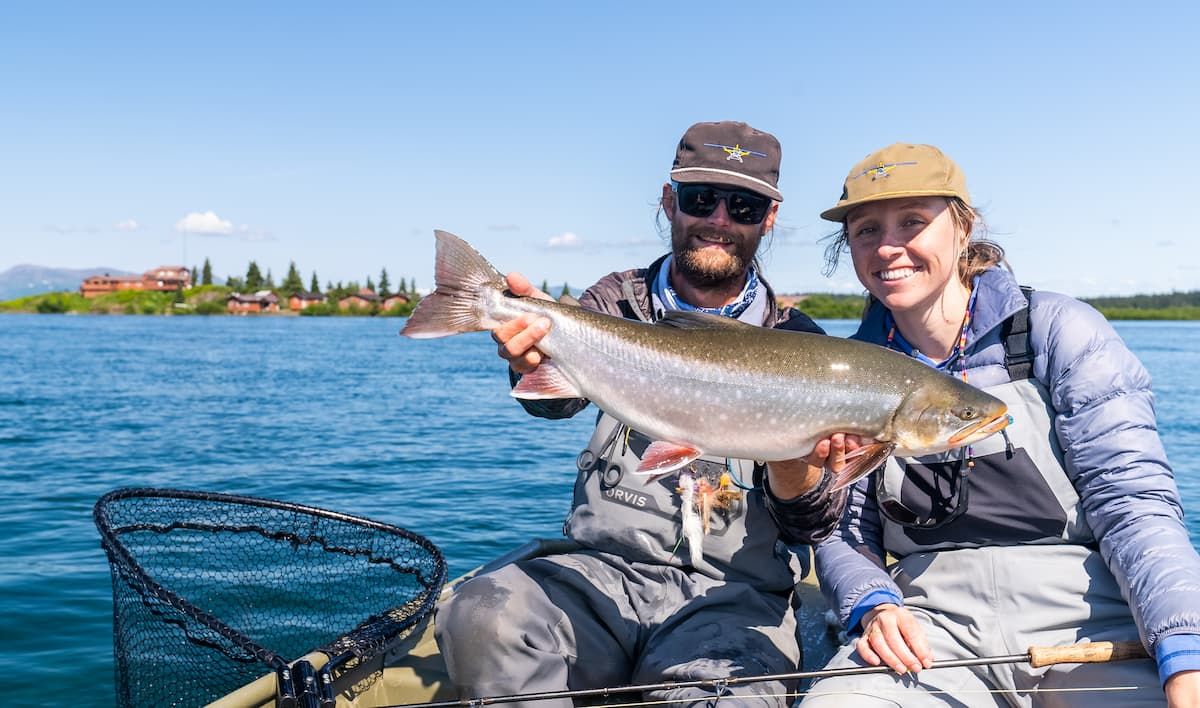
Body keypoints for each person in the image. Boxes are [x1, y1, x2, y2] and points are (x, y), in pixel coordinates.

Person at [434, 121, 850, 706]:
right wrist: (526, 348)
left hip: (731, 597)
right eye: (700, 198)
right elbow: (556, 404)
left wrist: (797, 461)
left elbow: (813, 525)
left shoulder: (804, 344)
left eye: (745, 205)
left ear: (771, 217)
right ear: (668, 201)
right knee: (481, 615)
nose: (720, 219)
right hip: (598, 573)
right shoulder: (616, 300)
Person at [798, 143, 1200, 707]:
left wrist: (1183, 646)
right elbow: (844, 526)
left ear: (962, 228)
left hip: (1090, 619)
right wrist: (871, 601)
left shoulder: (1056, 331)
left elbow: (1131, 502)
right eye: (866, 230)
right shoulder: (843, 366)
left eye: (913, 221)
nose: (888, 247)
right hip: (929, 625)